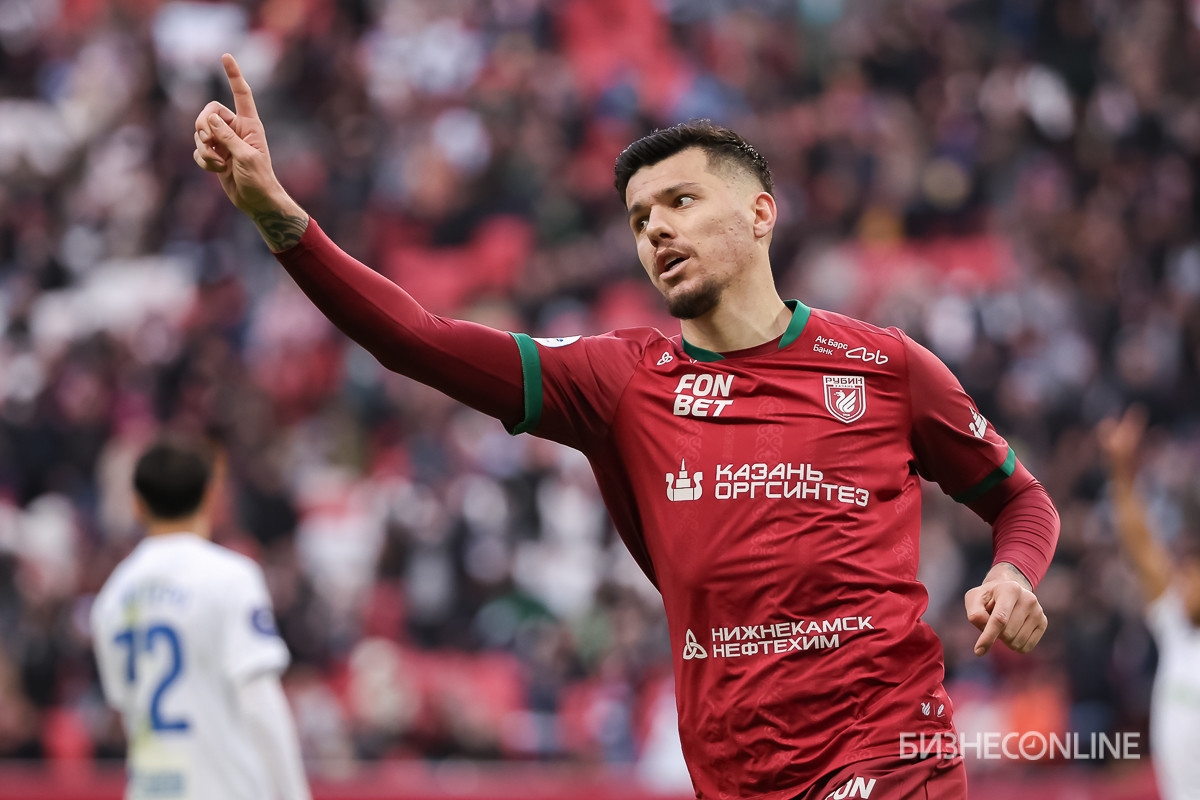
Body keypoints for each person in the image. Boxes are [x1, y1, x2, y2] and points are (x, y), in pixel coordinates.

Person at [193, 53, 1059, 800]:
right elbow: (417, 338)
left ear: (760, 214)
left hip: (889, 749)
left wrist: (1014, 573)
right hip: (736, 769)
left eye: (681, 201)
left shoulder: (884, 365)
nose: (657, 231)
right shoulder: (619, 381)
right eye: (641, 219)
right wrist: (277, 215)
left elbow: (1022, 500)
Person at [90, 435, 311, 800]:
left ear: (137, 504)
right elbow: (259, 701)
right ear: (211, 496)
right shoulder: (230, 578)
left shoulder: (112, 598)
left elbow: (126, 711)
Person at [1097, 408, 1200, 800]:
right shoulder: (1177, 630)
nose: (1181, 580)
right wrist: (1120, 468)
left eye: (1191, 573)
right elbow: (1139, 541)